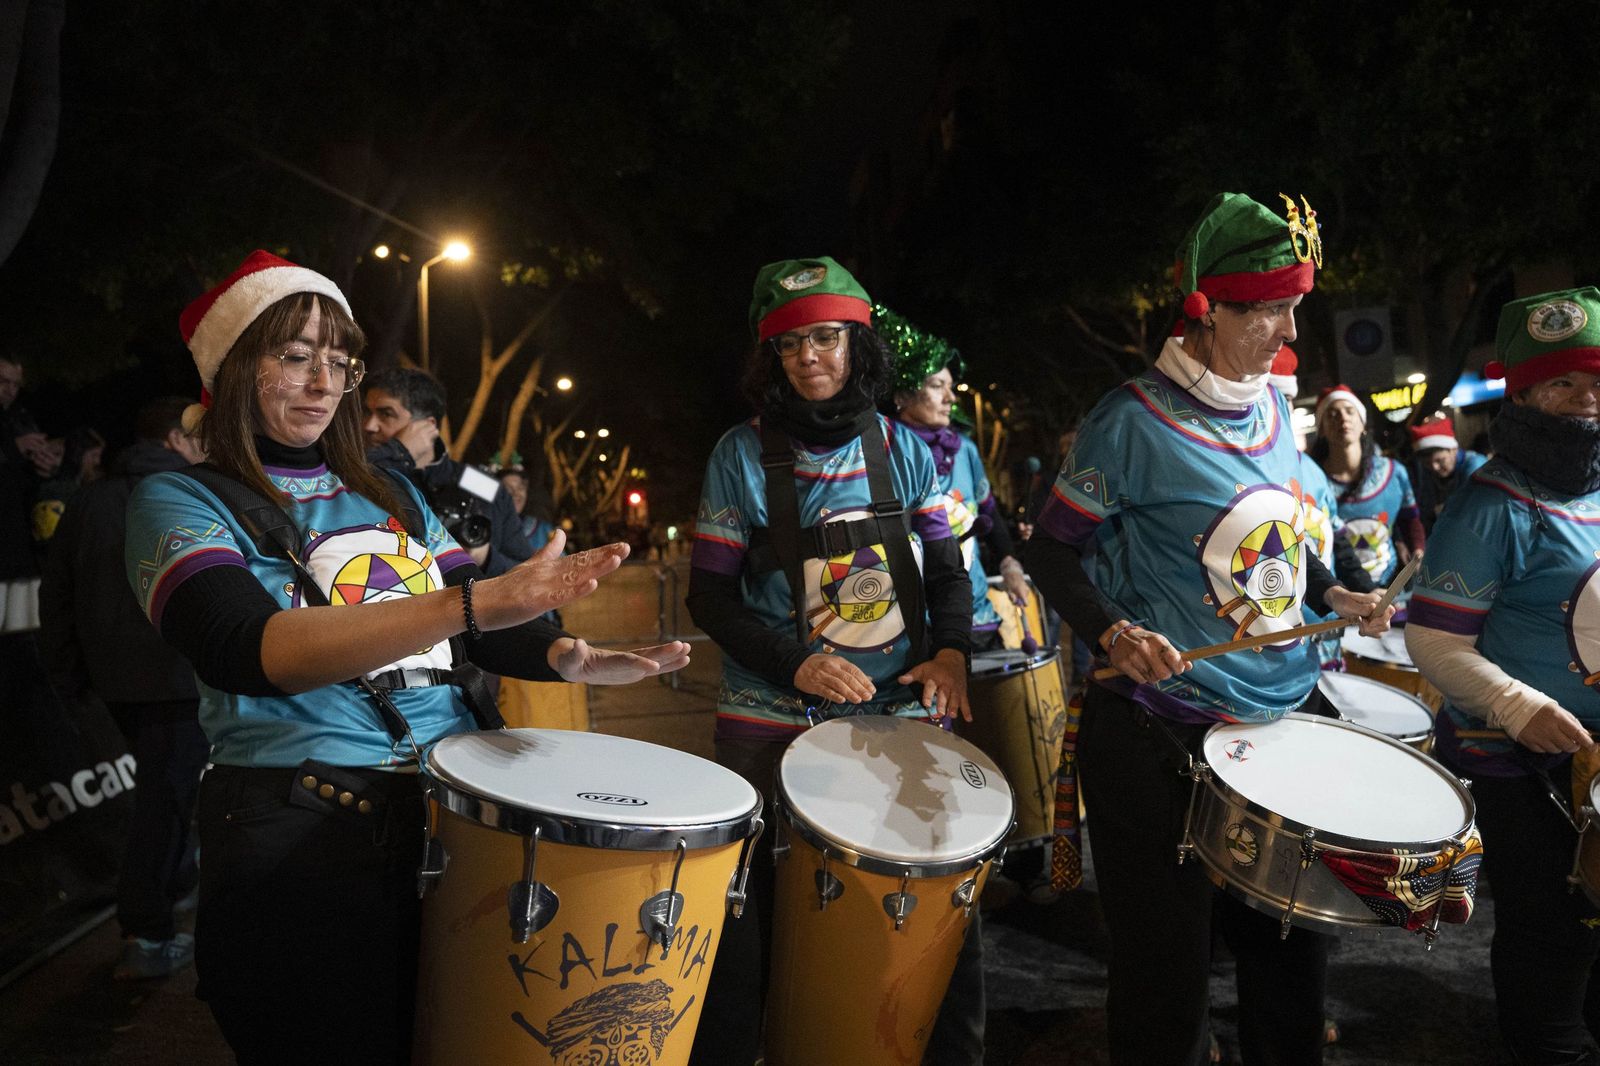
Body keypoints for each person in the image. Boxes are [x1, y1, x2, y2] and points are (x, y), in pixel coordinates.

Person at [124, 249, 691, 1062]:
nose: (323, 382)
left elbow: (478, 614)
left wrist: (567, 654)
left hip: (452, 815)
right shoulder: (178, 496)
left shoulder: (389, 492)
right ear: (234, 366)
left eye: (339, 362)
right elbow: (243, 647)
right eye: (295, 356)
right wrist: (475, 602)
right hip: (302, 832)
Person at [1027, 193, 1393, 1066]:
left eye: (1294, 306)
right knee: (1167, 986)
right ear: (1206, 309)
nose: (1288, 330)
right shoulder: (1128, 421)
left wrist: (1334, 592)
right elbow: (1050, 550)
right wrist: (1114, 633)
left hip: (1282, 725)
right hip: (1162, 733)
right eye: (1268, 309)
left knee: (1293, 973)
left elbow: (1285, 539)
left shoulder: (1274, 410)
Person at [685, 257, 977, 1065]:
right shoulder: (739, 455)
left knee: (939, 916)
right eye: (789, 344)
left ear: (858, 345)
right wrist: (795, 664)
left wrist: (951, 653)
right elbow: (709, 598)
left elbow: (947, 573)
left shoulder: (907, 448)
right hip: (770, 713)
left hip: (898, 712)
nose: (808, 356)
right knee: (754, 915)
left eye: (825, 338)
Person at [1407, 286, 1600, 1066]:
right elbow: (1433, 641)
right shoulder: (1489, 505)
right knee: (1550, 939)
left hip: (1595, 763)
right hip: (1521, 768)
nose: (1585, 399)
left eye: (1596, 380)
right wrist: (1517, 705)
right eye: (1563, 383)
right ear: (1520, 394)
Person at [40, 397, 208, 979]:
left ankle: (174, 889)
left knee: (165, 797)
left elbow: (56, 594)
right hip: (177, 681)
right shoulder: (191, 493)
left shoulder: (91, 499)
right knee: (164, 806)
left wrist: (70, 677)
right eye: (200, 435)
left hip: (112, 684)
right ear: (175, 438)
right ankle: (146, 934)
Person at [881, 304, 1029, 651]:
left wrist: (1009, 562)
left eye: (950, 387)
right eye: (937, 386)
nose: (950, 398)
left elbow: (988, 512)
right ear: (902, 395)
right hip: (914, 627)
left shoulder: (965, 450)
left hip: (976, 618)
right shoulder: (882, 454)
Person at [362, 366, 535, 576]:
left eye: (386, 414)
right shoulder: (363, 476)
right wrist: (398, 451)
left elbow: (526, 571)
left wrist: (485, 558)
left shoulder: (481, 484)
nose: (369, 425)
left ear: (427, 426)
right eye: (367, 412)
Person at [1310, 384, 1425, 584]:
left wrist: (1417, 549)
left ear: (1363, 423)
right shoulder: (1313, 481)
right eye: (1332, 414)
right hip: (1341, 589)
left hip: (1392, 584)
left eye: (1349, 411)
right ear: (1321, 430)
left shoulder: (1393, 472)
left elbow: (1410, 519)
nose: (1343, 418)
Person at [1407, 415, 1488, 534]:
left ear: (1453, 449)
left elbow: (1474, 513)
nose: (1434, 467)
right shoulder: (1434, 473)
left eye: (1440, 460)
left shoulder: (1475, 466)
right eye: (1427, 463)